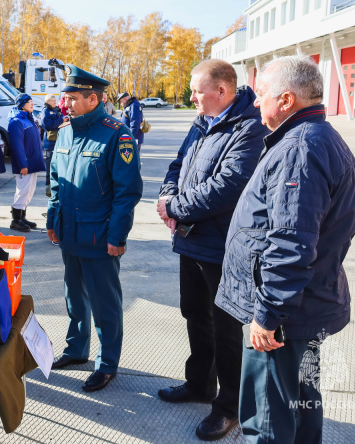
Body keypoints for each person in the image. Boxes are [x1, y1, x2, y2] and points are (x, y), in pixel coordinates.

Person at [216, 55, 355, 444]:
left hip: (282, 320)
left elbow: (291, 241)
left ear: (285, 99)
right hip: (304, 310)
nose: (255, 101)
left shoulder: (299, 148)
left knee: (268, 419)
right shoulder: (316, 137)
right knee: (301, 405)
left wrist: (267, 313)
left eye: (260, 94)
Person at [155, 59, 270, 441]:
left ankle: (228, 407)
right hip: (192, 239)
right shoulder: (202, 121)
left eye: (197, 91)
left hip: (223, 247)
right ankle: (200, 384)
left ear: (222, 91)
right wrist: (168, 196)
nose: (191, 97)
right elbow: (177, 165)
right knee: (194, 314)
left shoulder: (248, 127)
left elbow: (229, 185)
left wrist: (174, 208)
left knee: (225, 328)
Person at [46, 64, 143, 392]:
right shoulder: (65, 132)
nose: (66, 103)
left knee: (105, 304)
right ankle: (76, 349)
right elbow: (56, 182)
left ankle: (107, 363)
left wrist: (118, 235)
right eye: (65, 97)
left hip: (99, 237)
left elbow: (126, 192)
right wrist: (51, 219)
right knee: (74, 296)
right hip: (70, 233)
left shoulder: (117, 133)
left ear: (93, 99)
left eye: (72, 98)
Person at [8, 93, 45, 232]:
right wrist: (23, 164)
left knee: (29, 191)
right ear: (22, 104)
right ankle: (16, 220)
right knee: (22, 191)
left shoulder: (29, 119)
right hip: (25, 164)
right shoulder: (16, 121)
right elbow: (17, 146)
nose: (32, 104)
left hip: (32, 162)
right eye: (29, 102)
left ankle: (22, 217)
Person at [41, 93, 66, 198]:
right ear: (47, 102)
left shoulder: (56, 110)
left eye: (55, 101)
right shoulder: (45, 111)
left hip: (57, 141)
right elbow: (48, 125)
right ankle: (48, 182)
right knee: (50, 163)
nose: (55, 103)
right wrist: (61, 120)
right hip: (50, 142)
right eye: (53, 101)